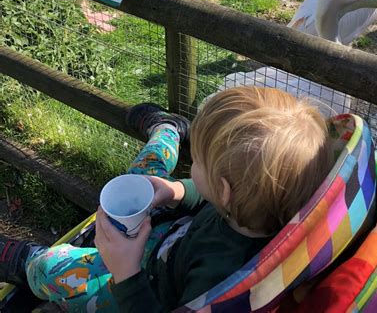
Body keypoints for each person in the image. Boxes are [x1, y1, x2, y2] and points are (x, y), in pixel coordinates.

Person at [0, 87, 331, 312]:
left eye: (197, 161)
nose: (194, 165)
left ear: (225, 190)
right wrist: (177, 191)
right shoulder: (259, 212)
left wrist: (126, 272)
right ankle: (169, 128)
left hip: (140, 285)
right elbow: (209, 198)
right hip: (165, 241)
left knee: (50, 267)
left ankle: (24, 261)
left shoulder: (219, 275)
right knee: (144, 179)